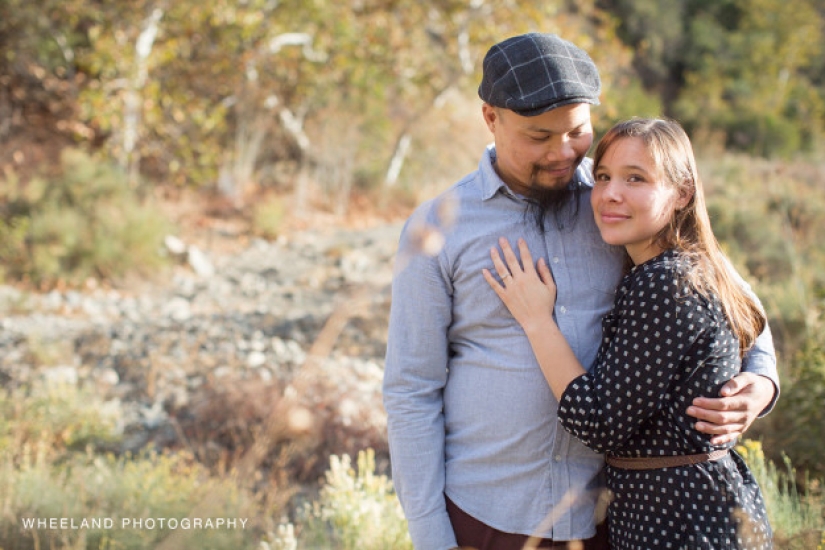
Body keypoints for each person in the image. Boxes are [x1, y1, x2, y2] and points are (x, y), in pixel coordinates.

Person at [383, 32, 779, 550]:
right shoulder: (438, 229)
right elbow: (411, 389)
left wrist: (761, 382)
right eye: (539, 136)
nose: (562, 152)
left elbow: (728, 292)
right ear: (490, 118)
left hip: (616, 519)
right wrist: (431, 535)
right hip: (486, 518)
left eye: (575, 132)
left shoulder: (621, 200)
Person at [483, 117, 773, 549]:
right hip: (688, 509)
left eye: (635, 178)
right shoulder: (685, 266)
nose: (610, 194)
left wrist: (536, 321)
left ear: (682, 193)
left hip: (683, 524)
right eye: (602, 177)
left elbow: (598, 420)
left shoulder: (666, 282)